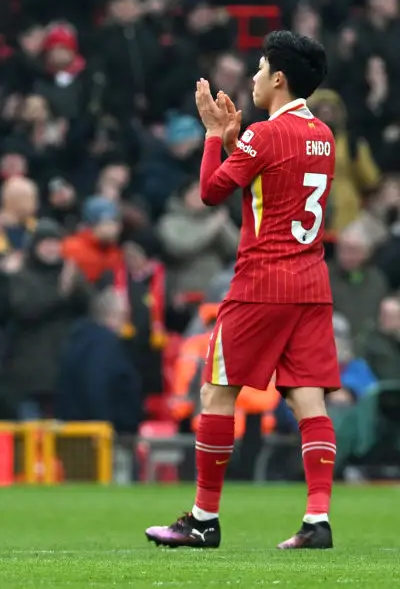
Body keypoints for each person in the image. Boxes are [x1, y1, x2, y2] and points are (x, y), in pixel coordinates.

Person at [146, 31, 337, 550]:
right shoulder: (323, 134)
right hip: (312, 283)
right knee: (307, 399)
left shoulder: (266, 134)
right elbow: (273, 185)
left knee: (215, 391)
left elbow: (210, 193)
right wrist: (237, 144)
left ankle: (204, 519)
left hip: (262, 282)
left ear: (278, 78)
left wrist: (214, 136)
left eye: (257, 70)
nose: (251, 79)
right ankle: (317, 520)